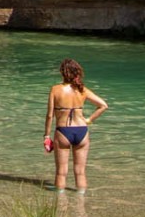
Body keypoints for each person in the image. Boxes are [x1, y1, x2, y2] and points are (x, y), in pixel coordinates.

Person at [43, 58, 108, 193]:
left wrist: (47, 135)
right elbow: (103, 106)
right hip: (82, 131)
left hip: (63, 131)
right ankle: (80, 201)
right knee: (80, 171)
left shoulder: (55, 90)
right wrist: (89, 120)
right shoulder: (82, 89)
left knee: (61, 171)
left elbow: (50, 115)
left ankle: (60, 199)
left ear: (62, 73)